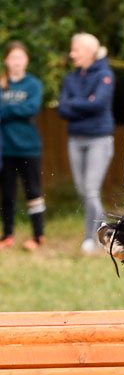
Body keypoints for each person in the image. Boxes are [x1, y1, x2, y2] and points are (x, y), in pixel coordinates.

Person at [58, 33, 115, 253]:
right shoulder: (70, 78)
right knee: (83, 191)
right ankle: (101, 235)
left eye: (76, 50)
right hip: (75, 139)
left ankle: (95, 237)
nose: (72, 54)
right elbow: (62, 108)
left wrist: (74, 103)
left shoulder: (104, 75)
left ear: (89, 51)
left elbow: (99, 104)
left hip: (99, 140)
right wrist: (84, 103)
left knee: (91, 190)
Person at [0, 41, 45, 250]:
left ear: (26, 60)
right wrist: (18, 109)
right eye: (12, 57)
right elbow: (22, 110)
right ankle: (7, 235)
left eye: (20, 57)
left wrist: (7, 110)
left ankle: (38, 236)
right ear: (6, 60)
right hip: (5, 149)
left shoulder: (33, 84)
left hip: (29, 148)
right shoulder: (1, 83)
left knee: (33, 192)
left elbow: (32, 109)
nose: (16, 62)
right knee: (7, 194)